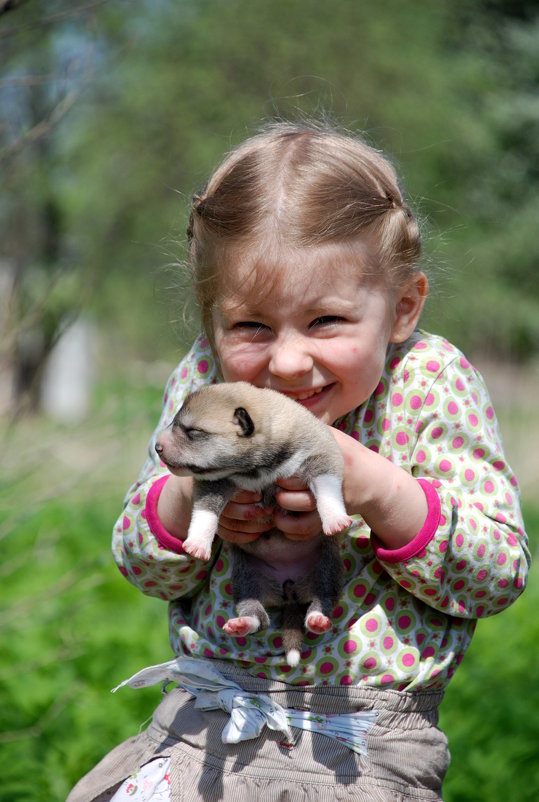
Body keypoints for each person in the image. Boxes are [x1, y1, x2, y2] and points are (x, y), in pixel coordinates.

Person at [68, 122, 530, 802]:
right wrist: (188, 496)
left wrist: (376, 489)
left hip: (362, 746)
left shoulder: (428, 382)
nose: (286, 362)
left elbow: (497, 574)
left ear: (401, 307)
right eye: (251, 326)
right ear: (210, 321)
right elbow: (140, 564)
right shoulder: (207, 381)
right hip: (206, 724)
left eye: (325, 323)